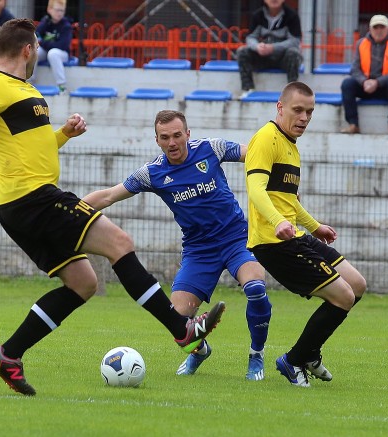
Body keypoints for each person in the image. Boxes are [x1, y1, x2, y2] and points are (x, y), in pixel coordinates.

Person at [0, 19, 225, 396]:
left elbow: (33, 149)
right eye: (37, 48)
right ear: (28, 50)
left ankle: (8, 355)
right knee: (119, 243)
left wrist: (64, 133)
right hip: (34, 199)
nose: (37, 54)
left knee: (83, 283)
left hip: (23, 204)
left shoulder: (26, 90)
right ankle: (183, 330)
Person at [83, 110, 272, 380]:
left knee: (255, 287)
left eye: (176, 135)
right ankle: (199, 351)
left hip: (236, 238)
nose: (172, 142)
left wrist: (281, 186)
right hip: (199, 250)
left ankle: (256, 356)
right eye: (165, 137)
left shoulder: (211, 148)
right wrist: (69, 210)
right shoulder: (152, 173)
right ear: (157, 140)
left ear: (187, 134)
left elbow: (254, 154)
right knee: (177, 317)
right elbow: (109, 196)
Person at [244, 81, 367, 387]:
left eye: (310, 112)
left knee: (356, 285)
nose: (304, 117)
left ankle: (308, 353)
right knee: (343, 296)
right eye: (298, 110)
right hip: (274, 242)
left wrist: (315, 226)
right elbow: (256, 189)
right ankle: (295, 359)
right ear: (280, 107)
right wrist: (277, 222)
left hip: (294, 235)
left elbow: (288, 201)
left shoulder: (291, 145)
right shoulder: (266, 138)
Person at [340, 14, 388, 135]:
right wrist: (364, 81)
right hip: (366, 86)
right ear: (370, 29)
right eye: (375, 27)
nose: (378, 30)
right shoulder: (361, 43)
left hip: (387, 86)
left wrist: (377, 82)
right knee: (347, 84)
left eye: (382, 27)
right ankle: (353, 124)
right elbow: (355, 69)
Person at [236, 0, 302, 99]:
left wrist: (273, 48)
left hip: (283, 58)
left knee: (294, 53)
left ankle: (292, 91)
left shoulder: (292, 16)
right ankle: (248, 89)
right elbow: (250, 38)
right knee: (242, 51)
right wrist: (257, 47)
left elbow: (295, 41)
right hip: (262, 57)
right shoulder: (257, 15)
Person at [30, 0, 73, 93]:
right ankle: (29, 81)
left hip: (62, 53)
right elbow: (36, 37)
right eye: (57, 10)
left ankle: (62, 86)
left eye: (62, 10)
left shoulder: (66, 26)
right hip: (46, 51)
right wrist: (43, 42)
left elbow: (62, 45)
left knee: (53, 53)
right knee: (34, 51)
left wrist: (43, 42)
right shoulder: (45, 22)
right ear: (49, 9)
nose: (59, 13)